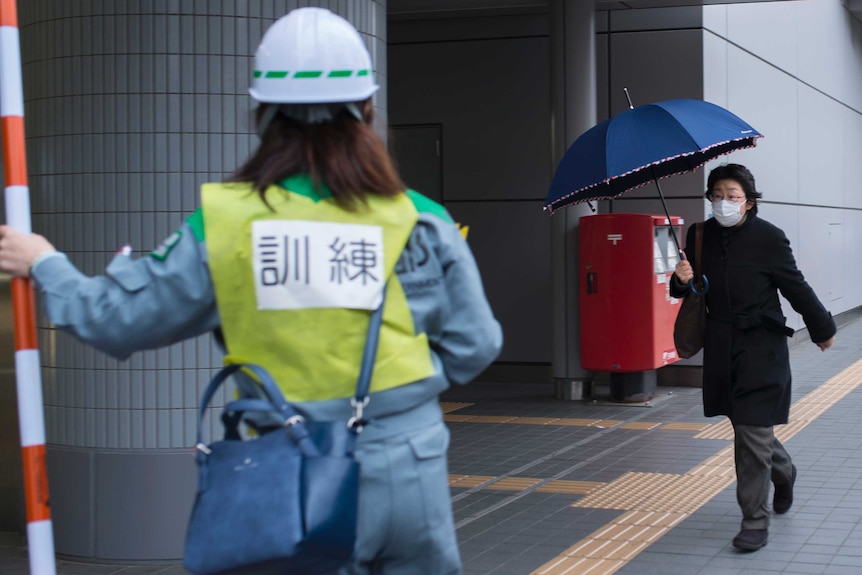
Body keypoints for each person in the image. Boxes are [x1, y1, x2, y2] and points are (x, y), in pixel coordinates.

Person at [0, 7, 502, 575]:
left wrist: (45, 263)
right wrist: (402, 399)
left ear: (262, 114)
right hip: (412, 464)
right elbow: (476, 344)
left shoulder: (229, 224)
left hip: (291, 475)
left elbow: (117, 318)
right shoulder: (420, 219)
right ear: (367, 110)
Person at [671, 163, 835, 552]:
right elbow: (686, 293)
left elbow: (795, 286)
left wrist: (822, 328)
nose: (724, 203)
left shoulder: (769, 238)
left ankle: (754, 521)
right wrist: (679, 279)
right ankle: (784, 470)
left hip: (762, 345)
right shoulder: (697, 236)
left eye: (733, 196)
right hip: (722, 343)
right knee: (748, 428)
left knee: (749, 432)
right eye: (718, 195)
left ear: (749, 201)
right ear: (709, 197)